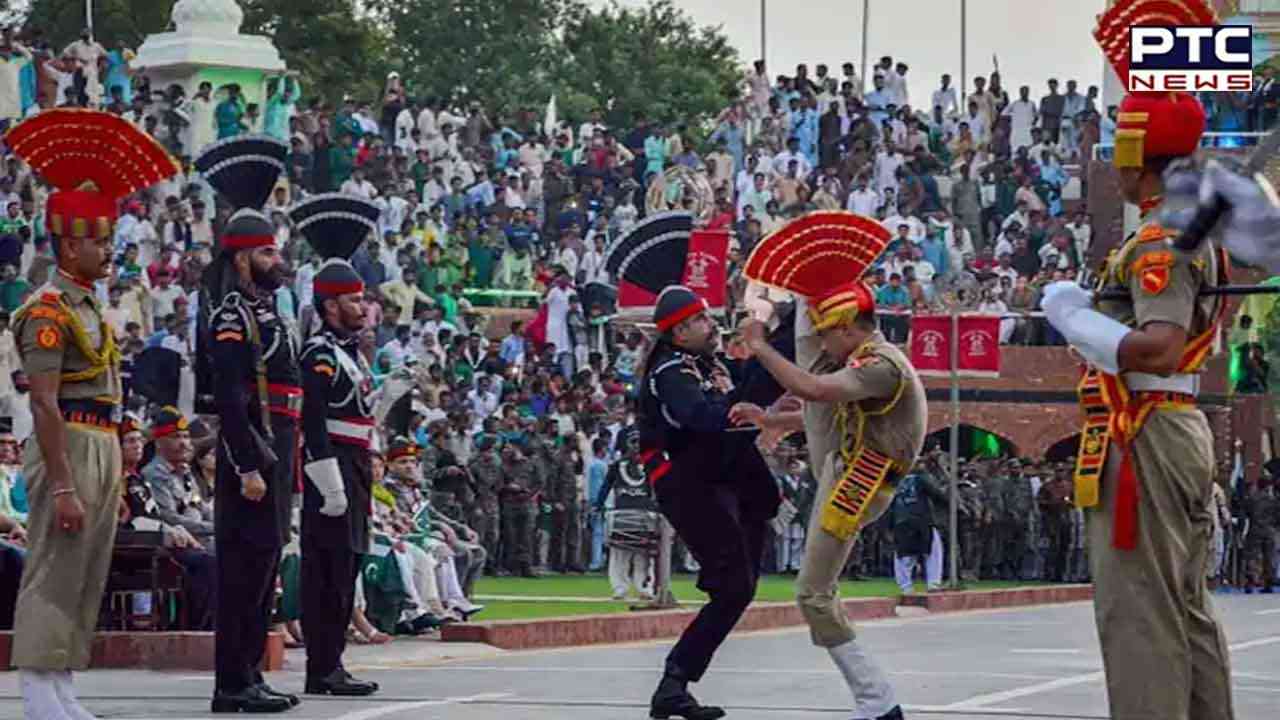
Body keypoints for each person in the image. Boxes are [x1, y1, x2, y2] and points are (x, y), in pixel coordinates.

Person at [1041, 15, 1234, 717]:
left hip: (1147, 427)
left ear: (1135, 152)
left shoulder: (1160, 237)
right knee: (1184, 609)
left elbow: (1156, 342)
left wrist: (1072, 317)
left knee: (1140, 614)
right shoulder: (1195, 226)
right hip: (1173, 423)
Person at [6, 109, 179, 720]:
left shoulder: (90, 307)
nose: (109, 250)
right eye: (99, 240)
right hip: (68, 444)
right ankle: (35, 692)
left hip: (101, 442)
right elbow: (45, 401)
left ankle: (62, 688)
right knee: (54, 567)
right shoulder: (46, 310)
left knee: (86, 573)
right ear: (69, 243)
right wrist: (61, 483)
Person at [730, 212, 923, 720]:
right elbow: (819, 407)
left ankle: (878, 703)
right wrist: (773, 419)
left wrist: (761, 347)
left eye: (825, 334)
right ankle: (875, 703)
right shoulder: (862, 359)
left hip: (859, 483)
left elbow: (815, 389)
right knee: (816, 595)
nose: (822, 344)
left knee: (813, 595)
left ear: (851, 328)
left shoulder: (881, 366)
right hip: (847, 470)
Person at [639, 285, 782, 720]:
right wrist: (742, 407)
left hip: (723, 479)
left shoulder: (711, 363)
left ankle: (676, 679)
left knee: (742, 575)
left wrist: (776, 341)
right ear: (679, 331)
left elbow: (752, 390)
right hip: (686, 483)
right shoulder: (670, 371)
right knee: (736, 587)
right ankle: (674, 681)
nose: (711, 324)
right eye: (701, 319)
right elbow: (701, 418)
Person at [195, 136, 300, 714]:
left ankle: (250, 675)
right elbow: (232, 398)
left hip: (276, 448)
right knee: (243, 568)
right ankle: (231, 683)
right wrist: (247, 462)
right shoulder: (232, 314)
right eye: (265, 254)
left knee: (264, 565)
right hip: (252, 454)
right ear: (242, 258)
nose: (275, 261)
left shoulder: (267, 312)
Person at [292, 194, 383, 696]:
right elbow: (315, 420)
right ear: (330, 305)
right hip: (333, 468)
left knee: (346, 566)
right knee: (327, 569)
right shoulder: (321, 354)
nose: (362, 306)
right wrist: (327, 479)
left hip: (355, 463)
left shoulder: (350, 354)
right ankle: (321, 666)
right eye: (352, 299)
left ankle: (331, 663)